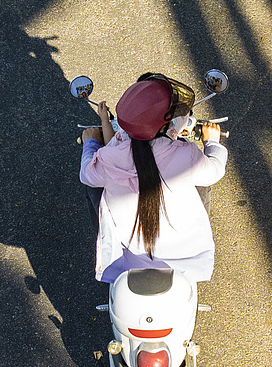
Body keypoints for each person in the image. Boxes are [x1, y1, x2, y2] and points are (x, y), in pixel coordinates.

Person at [79, 74, 227, 283]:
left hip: (124, 258)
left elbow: (86, 174)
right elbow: (215, 171)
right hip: (187, 257)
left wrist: (91, 144)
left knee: (92, 187)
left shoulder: (108, 157)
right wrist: (213, 142)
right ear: (166, 123)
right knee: (203, 183)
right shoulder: (186, 154)